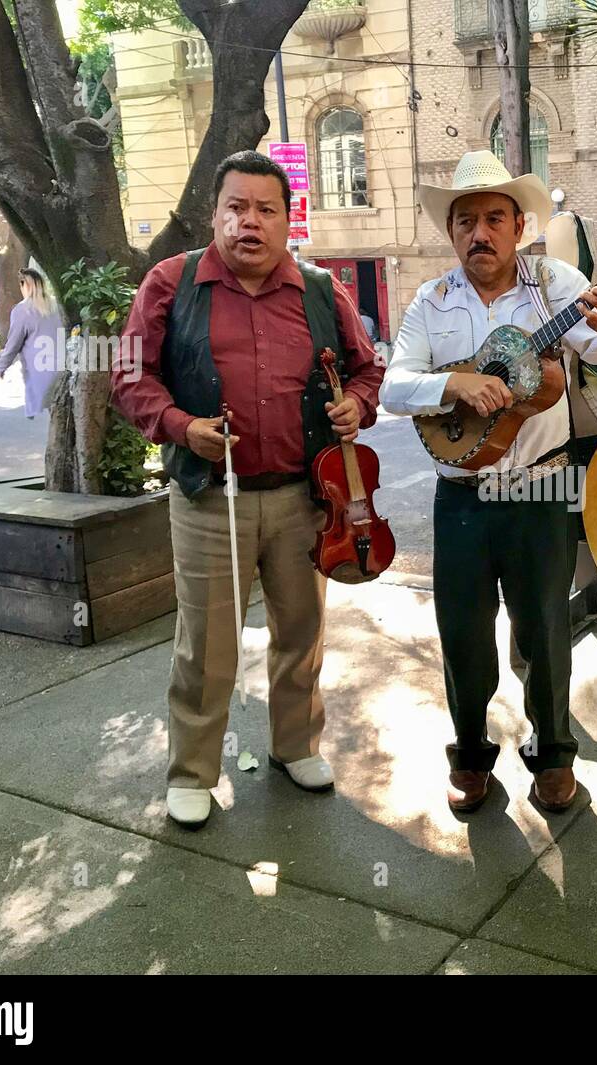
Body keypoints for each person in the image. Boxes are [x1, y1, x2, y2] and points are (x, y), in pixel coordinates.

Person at [111, 150, 384, 828]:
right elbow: (127, 376)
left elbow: (367, 370)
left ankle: (296, 745)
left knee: (303, 629)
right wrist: (180, 426)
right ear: (215, 214)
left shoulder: (321, 290)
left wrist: (356, 402)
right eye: (237, 207)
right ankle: (193, 772)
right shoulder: (171, 283)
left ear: (287, 220)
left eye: (266, 209)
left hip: (304, 497)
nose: (250, 223)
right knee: (207, 642)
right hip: (209, 497)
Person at [381, 150, 597, 815]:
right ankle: (471, 756)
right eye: (465, 219)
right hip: (463, 495)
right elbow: (392, 386)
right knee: (464, 634)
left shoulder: (556, 283)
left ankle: (554, 756)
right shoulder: (431, 299)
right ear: (452, 232)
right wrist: (454, 382)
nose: (480, 232)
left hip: (541, 489)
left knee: (545, 632)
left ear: (518, 222)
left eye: (494, 217)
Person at [0, 268, 62, 419]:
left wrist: (2, 366)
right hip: (64, 368)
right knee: (60, 411)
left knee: (54, 411)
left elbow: (13, 343)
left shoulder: (22, 310)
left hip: (40, 370)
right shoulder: (57, 305)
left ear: (24, 285)